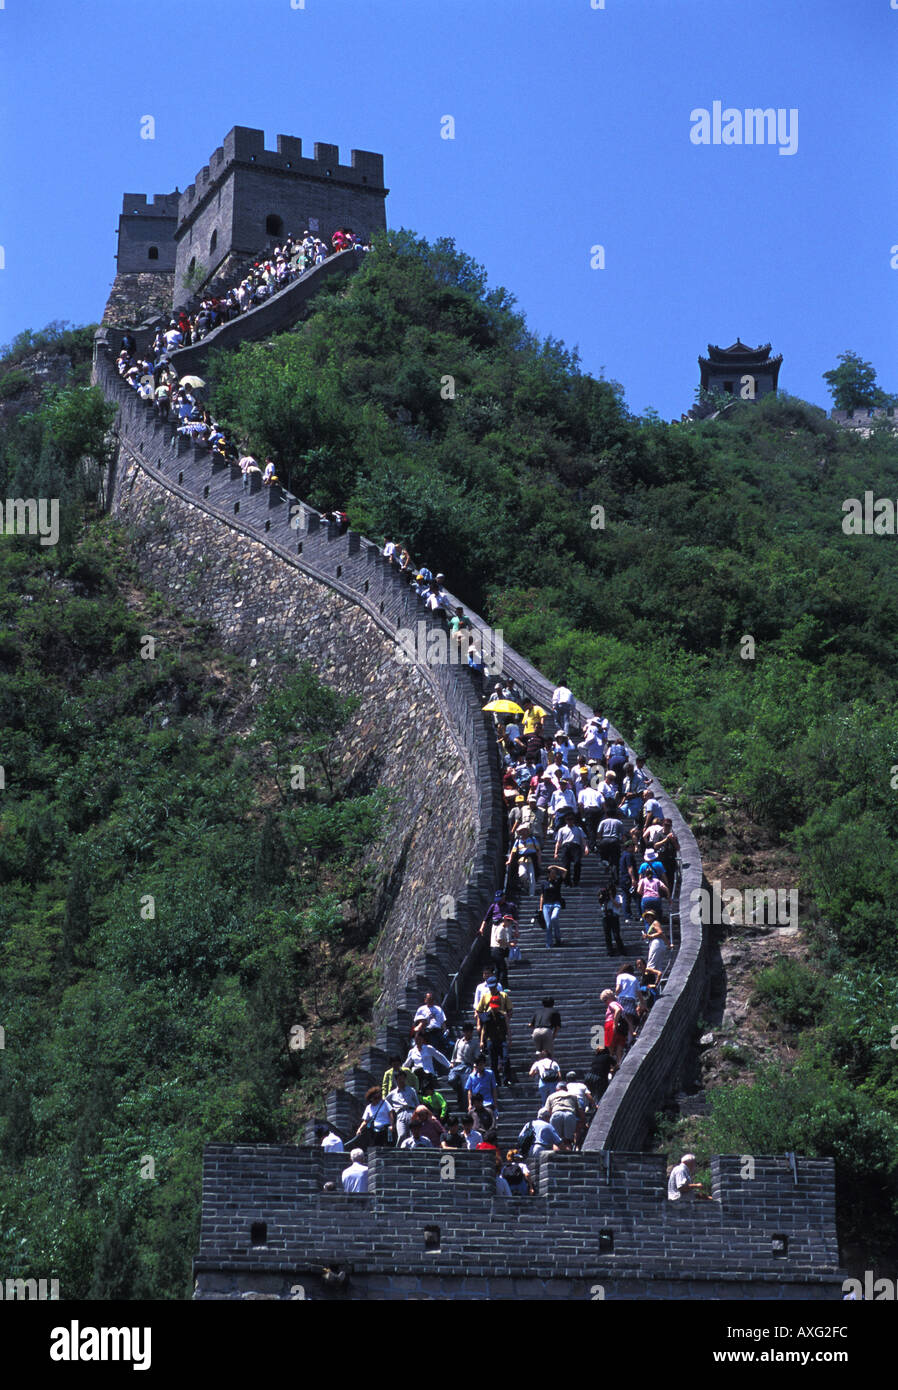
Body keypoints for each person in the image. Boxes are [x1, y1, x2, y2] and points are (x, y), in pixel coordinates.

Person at [385, 1070, 419, 1147]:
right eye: (399, 1079)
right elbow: (385, 1104)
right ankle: (398, 1153)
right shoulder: (392, 1093)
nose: (402, 1081)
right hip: (400, 1114)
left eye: (403, 1078)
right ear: (396, 1080)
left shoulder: (411, 1090)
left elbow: (417, 1104)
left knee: (412, 1135)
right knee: (402, 1135)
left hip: (411, 1112)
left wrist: (417, 1116)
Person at [554, 812, 588, 886]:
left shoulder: (578, 829)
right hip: (566, 846)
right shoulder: (562, 829)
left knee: (577, 863)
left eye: (571, 819)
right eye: (568, 819)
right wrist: (556, 852)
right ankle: (567, 882)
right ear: (565, 820)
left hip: (576, 846)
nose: (570, 821)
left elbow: (583, 839)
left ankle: (576, 880)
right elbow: (559, 841)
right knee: (566, 865)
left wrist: (586, 847)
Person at [538, 864, 567, 948]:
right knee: (549, 924)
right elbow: (542, 896)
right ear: (549, 874)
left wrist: (555, 866)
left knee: (554, 918)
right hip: (546, 905)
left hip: (556, 903)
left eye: (555, 873)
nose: (554, 875)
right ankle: (549, 942)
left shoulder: (557, 882)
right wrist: (540, 908)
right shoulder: (544, 883)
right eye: (553, 873)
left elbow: (565, 871)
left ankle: (557, 938)